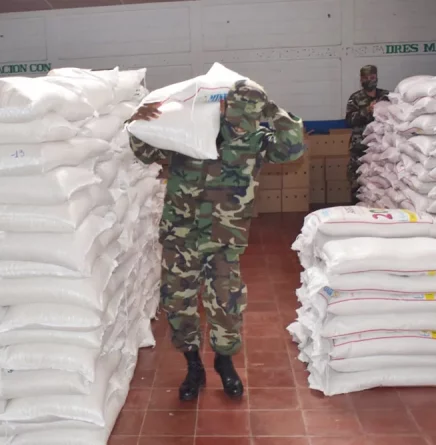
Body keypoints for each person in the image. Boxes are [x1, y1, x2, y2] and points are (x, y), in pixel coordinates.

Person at [127, 79, 305, 401]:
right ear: (223, 106)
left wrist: (272, 110)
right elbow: (144, 151)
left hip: (224, 240)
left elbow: (292, 147)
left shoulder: (256, 139)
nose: (240, 124)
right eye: (236, 113)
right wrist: (139, 120)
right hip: (181, 236)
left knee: (226, 304)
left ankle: (224, 362)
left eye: (248, 116)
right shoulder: (188, 132)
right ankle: (193, 366)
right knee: (178, 304)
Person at [346, 65, 389, 204]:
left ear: (376, 77)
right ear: (361, 79)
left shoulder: (385, 96)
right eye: (366, 78)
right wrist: (367, 110)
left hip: (381, 146)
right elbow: (349, 120)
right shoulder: (355, 98)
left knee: (382, 182)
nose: (369, 80)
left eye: (372, 77)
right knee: (357, 182)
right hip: (360, 147)